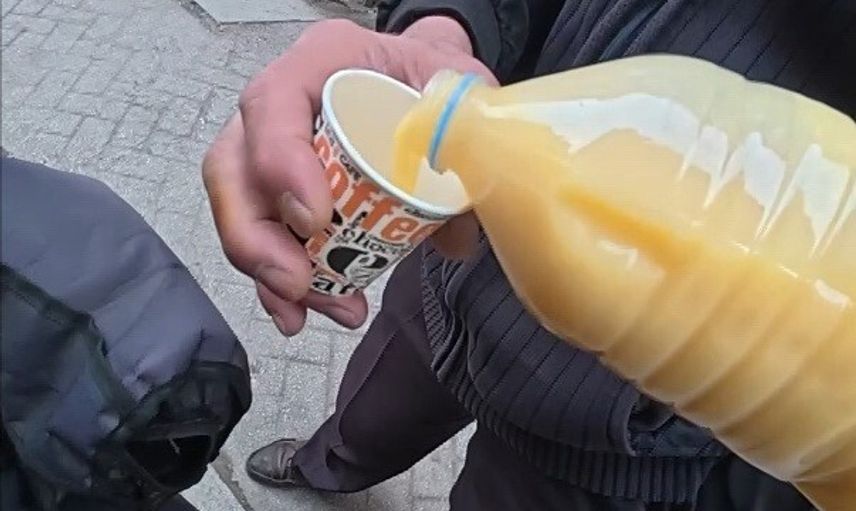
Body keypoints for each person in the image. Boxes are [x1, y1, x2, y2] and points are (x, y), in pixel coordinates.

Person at [201, 1, 854, 509]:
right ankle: (328, 465)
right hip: (465, 238)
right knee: (371, 415)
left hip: (629, 419)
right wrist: (444, 28)